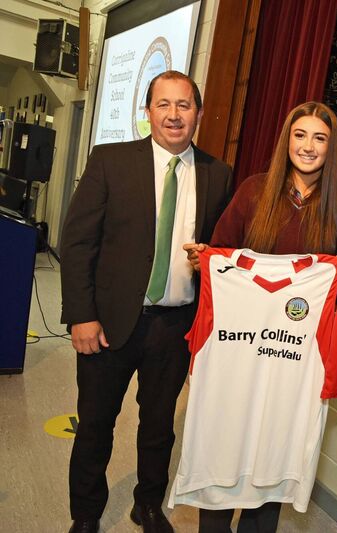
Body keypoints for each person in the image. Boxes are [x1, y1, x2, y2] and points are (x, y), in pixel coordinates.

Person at [60, 70, 232, 533]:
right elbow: (77, 243)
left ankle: (148, 505)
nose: (174, 115)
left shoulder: (219, 174)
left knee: (159, 427)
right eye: (164, 105)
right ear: (147, 112)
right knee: (95, 424)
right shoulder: (110, 161)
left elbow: (225, 249)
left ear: (198, 112)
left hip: (175, 326)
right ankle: (86, 514)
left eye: (184, 105)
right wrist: (82, 316)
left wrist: (211, 261)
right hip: (110, 322)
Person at [181, 101, 337, 533]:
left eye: (319, 138)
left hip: (291, 357)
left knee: (271, 453)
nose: (308, 147)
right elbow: (220, 252)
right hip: (239, 348)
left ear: (332, 148)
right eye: (300, 135)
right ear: (285, 141)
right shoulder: (255, 190)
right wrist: (207, 262)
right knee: (225, 443)